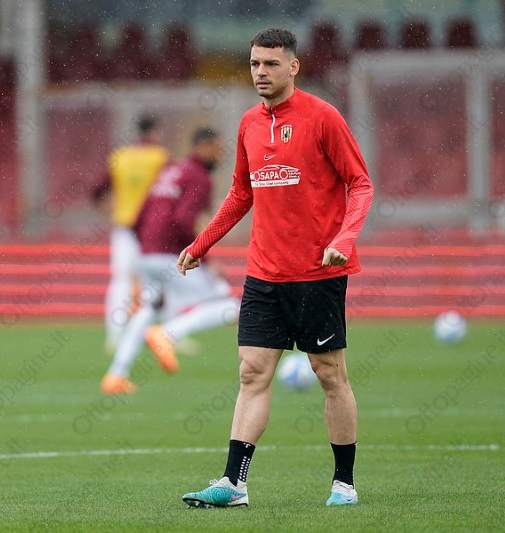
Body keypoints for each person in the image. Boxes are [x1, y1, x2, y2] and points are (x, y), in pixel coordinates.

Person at [177, 28, 374, 508]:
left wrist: (343, 238)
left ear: (293, 66)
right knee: (251, 373)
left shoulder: (323, 117)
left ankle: (344, 483)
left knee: (329, 375)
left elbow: (360, 183)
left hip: (317, 274)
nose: (260, 72)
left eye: (270, 63)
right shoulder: (248, 123)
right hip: (264, 274)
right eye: (254, 64)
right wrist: (201, 243)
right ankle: (234, 483)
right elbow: (241, 194)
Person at [101, 127, 239, 395]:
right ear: (204, 146)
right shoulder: (198, 177)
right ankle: (168, 333)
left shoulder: (170, 169)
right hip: (170, 254)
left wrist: (145, 250)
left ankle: (116, 375)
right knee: (230, 307)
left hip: (147, 252)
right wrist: (205, 257)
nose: (221, 156)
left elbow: (139, 217)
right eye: (218, 149)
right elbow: (183, 220)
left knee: (148, 310)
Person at [92, 115, 170, 352]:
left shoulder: (120, 156)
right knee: (159, 280)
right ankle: (166, 334)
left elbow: (98, 191)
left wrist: (112, 207)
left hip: (124, 226)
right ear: (154, 132)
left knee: (121, 280)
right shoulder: (160, 157)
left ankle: (114, 335)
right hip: (151, 228)